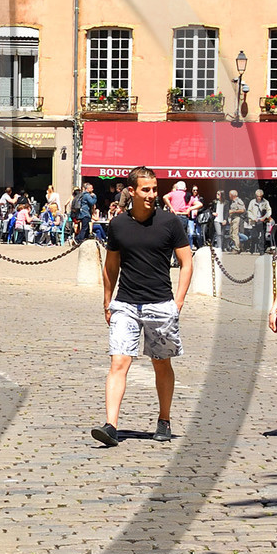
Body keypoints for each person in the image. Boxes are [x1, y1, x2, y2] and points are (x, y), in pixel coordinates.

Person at [92, 163, 193, 449]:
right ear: (132, 191)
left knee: (161, 363)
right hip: (126, 304)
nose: (151, 195)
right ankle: (111, 425)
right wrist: (108, 300)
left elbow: (186, 262)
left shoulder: (170, 223)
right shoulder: (118, 225)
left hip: (160, 304)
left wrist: (178, 301)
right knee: (119, 361)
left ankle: (164, 419)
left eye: (154, 189)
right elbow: (111, 265)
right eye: (145, 189)